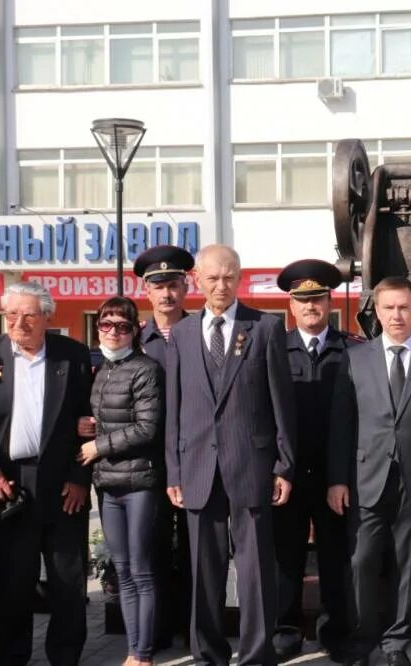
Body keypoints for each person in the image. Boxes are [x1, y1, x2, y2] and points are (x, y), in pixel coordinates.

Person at [165, 243, 297, 666]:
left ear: (239, 278)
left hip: (252, 467)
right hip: (198, 470)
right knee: (204, 573)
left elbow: (282, 404)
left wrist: (284, 464)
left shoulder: (265, 328)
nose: (221, 285)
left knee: (257, 573)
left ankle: (257, 655)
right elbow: (174, 408)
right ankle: (208, 654)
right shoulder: (183, 334)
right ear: (196, 281)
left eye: (228, 277)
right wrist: (174, 471)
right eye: (212, 278)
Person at [327, 276, 411, 666]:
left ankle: (395, 643)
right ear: (377, 311)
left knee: (408, 564)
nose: (397, 315)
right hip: (365, 479)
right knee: (361, 560)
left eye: (404, 307)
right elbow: (342, 426)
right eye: (388, 308)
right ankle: (362, 636)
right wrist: (337, 479)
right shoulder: (354, 359)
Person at [0, 282, 93, 666]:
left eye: (29, 315)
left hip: (62, 484)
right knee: (12, 582)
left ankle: (65, 656)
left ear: (47, 317)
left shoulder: (72, 355)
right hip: (8, 486)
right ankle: (11, 656)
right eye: (11, 315)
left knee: (68, 581)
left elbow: (86, 418)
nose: (19, 322)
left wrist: (78, 477)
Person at [272, 259, 359, 663]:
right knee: (285, 555)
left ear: (330, 302)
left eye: (318, 299)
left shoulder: (353, 351)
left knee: (335, 555)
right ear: (291, 305)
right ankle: (286, 628)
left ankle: (335, 630)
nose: (311, 307)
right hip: (287, 472)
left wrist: (341, 474)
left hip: (335, 473)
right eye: (302, 300)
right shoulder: (273, 351)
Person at [77, 297, 164, 666]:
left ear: (136, 329)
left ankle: (142, 654)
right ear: (97, 328)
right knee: (123, 570)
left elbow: (147, 427)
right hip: (108, 485)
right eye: (106, 325)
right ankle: (133, 648)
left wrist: (98, 444)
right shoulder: (98, 370)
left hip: (140, 482)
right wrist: (82, 427)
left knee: (142, 571)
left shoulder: (145, 368)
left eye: (122, 326)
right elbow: (93, 419)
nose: (114, 332)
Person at [134, 244, 195, 648]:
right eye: (158, 287)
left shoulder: (203, 335)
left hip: (194, 458)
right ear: (146, 291)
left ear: (185, 286)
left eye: (173, 284)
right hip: (149, 460)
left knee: (195, 550)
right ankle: (155, 631)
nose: (166, 294)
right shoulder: (136, 342)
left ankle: (194, 630)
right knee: (152, 547)